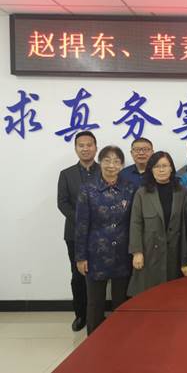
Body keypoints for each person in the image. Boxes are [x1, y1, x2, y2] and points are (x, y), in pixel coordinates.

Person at [75, 146, 136, 335]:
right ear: (100, 162)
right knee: (95, 302)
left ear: (122, 165)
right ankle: (94, 340)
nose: (111, 165)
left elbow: (134, 222)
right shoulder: (88, 189)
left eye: (116, 161)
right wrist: (81, 257)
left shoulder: (130, 188)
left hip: (123, 253)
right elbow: (81, 225)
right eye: (107, 160)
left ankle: (120, 338)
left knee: (121, 301)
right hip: (96, 253)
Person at [127, 151, 187, 297]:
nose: (161, 170)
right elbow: (135, 223)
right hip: (149, 252)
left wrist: (185, 259)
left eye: (165, 166)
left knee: (173, 295)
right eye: (157, 166)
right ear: (151, 170)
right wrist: (137, 252)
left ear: (171, 168)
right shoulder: (142, 193)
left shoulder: (181, 192)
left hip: (174, 252)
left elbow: (185, 226)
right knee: (149, 295)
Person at [57, 130, 99, 332]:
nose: (85, 148)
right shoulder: (66, 174)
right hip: (74, 234)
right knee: (78, 274)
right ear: (76, 149)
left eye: (89, 145)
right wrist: (83, 221)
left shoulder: (105, 171)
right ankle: (81, 314)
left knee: (99, 274)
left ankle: (97, 312)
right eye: (81, 145)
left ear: (96, 148)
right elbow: (62, 203)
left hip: (101, 234)